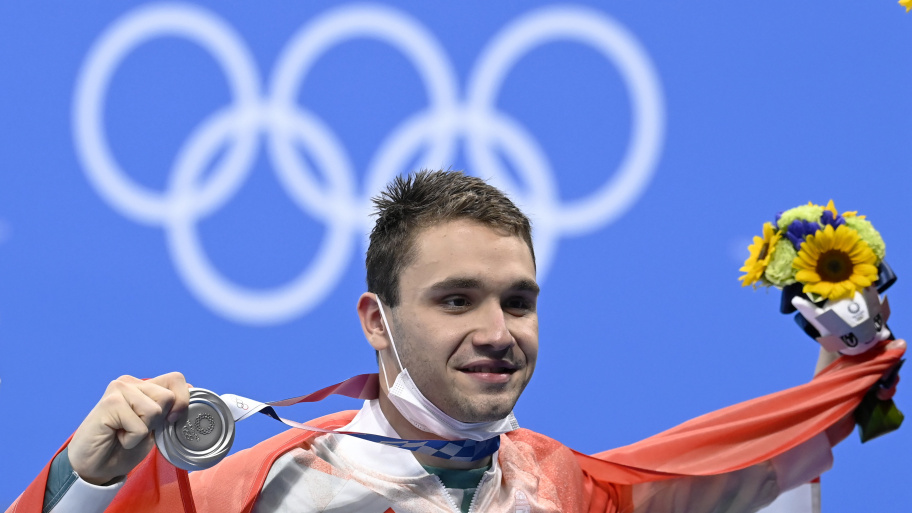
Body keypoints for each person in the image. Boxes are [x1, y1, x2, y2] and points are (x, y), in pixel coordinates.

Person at [7, 170, 905, 513]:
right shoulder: (261, 490)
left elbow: (761, 479)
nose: (497, 332)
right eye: (456, 300)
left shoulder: (576, 491)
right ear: (377, 320)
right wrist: (85, 480)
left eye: (519, 301)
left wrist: (844, 359)